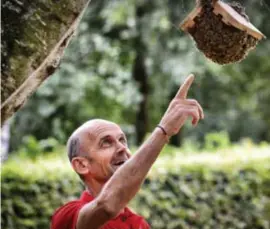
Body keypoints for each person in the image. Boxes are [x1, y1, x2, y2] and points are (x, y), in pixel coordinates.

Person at [50, 74, 204, 229]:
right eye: (106, 143)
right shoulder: (68, 215)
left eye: (122, 140)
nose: (122, 148)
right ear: (82, 165)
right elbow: (106, 207)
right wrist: (163, 131)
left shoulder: (140, 224)